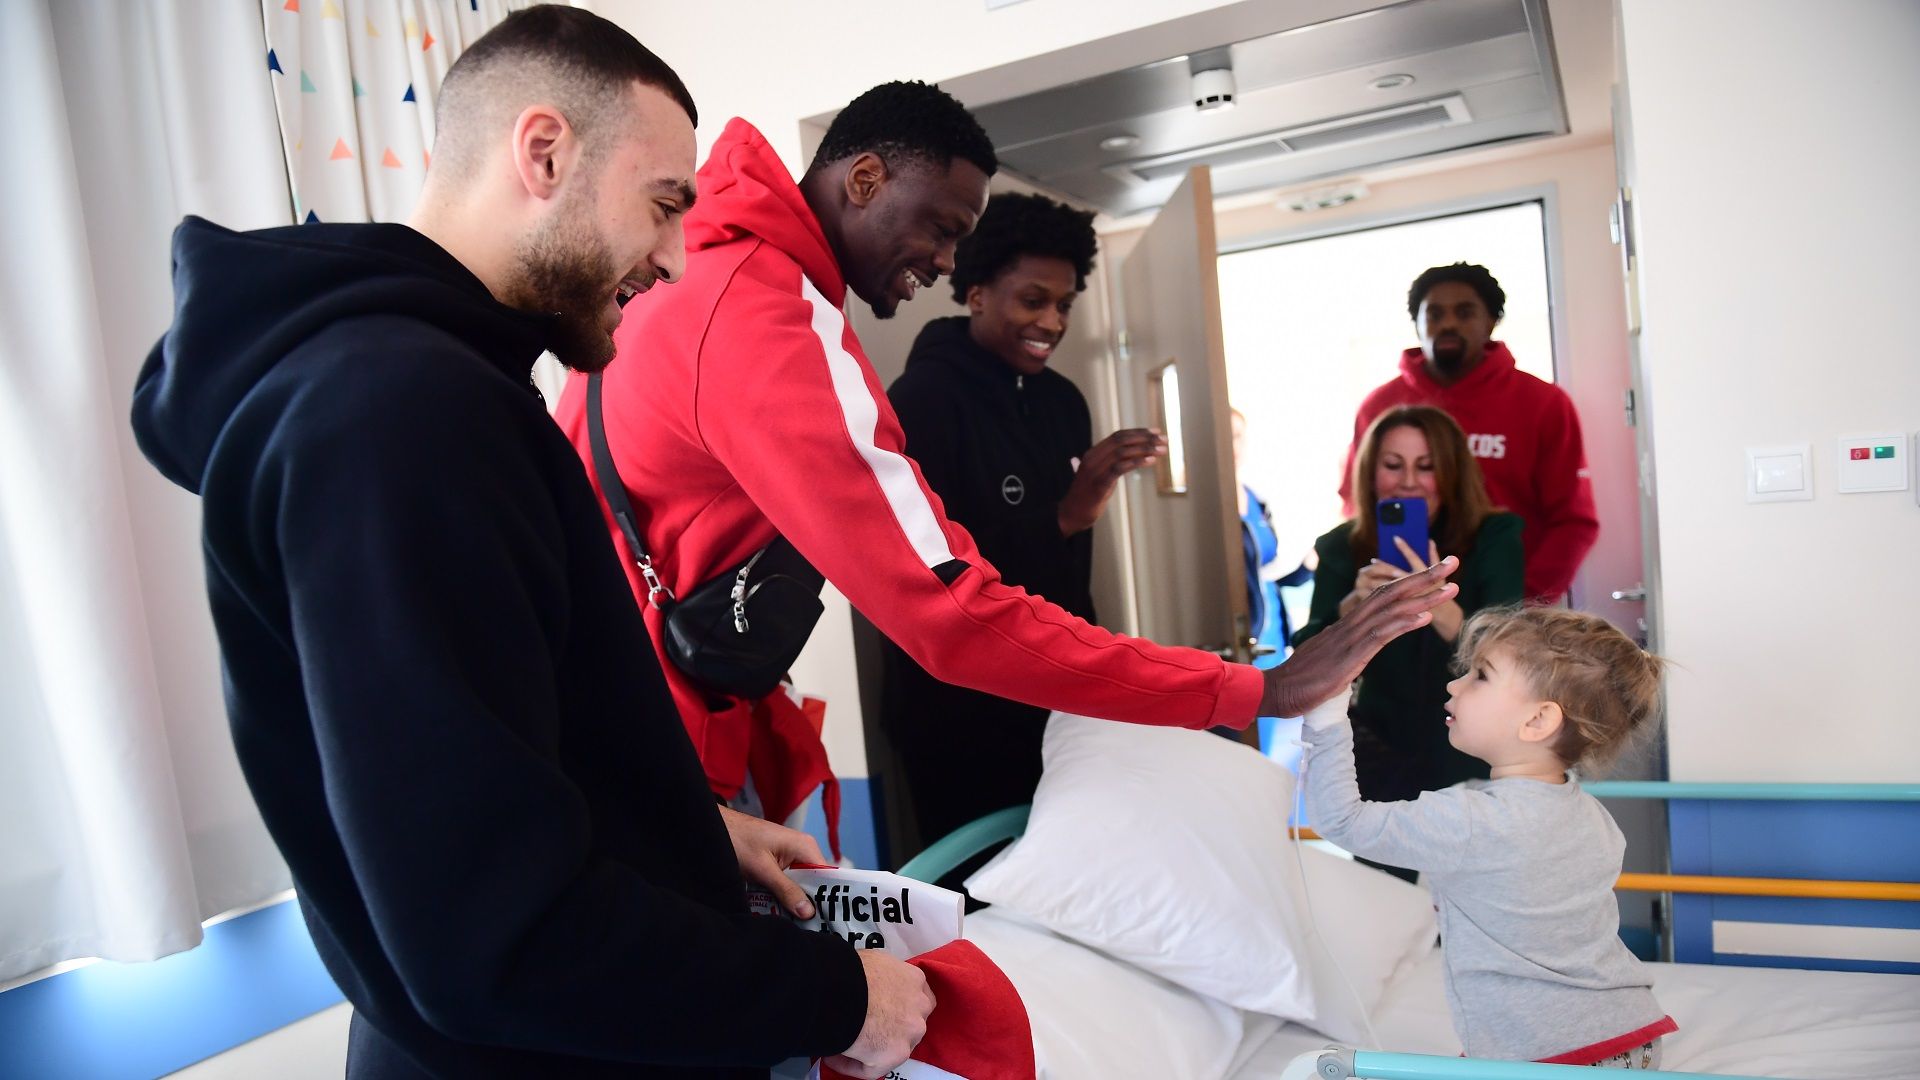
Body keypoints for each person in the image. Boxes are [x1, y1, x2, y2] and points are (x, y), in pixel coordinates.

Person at [128, 10, 934, 1078]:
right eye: (664, 206)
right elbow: (498, 933)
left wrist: (687, 833)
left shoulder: (425, 390)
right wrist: (837, 998)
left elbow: (486, 764)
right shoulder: (402, 414)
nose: (674, 259)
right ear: (544, 153)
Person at [553, 82, 1462, 827]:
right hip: (663, 739)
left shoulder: (695, 271)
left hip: (612, 705)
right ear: (864, 179)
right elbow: (951, 610)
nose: (948, 263)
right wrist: (1253, 689)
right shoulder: (768, 318)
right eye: (944, 229)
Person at [881, 191, 1161, 849]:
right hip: (958, 715)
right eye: (1033, 300)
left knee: (1081, 878)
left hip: (1060, 701)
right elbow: (926, 573)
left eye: (1064, 305)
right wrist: (1065, 515)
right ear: (977, 294)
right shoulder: (923, 401)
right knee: (982, 890)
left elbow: (1068, 576)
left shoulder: (1063, 402)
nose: (1052, 322)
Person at [1302, 607, 1676, 1068]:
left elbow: (1341, 821)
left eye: (1480, 676)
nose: (1454, 685)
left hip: (1553, 1057)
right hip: (1635, 1037)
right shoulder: (1593, 817)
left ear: (1537, 721)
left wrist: (1327, 717)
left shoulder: (1470, 820)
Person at [1297, 406, 1524, 864]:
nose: (1408, 482)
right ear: (1370, 472)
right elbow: (1305, 661)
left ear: (1451, 472)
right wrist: (1352, 610)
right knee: (1384, 889)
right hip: (1383, 748)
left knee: (1474, 880)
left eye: (1426, 466)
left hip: (1474, 749)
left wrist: (1436, 600)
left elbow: (1509, 655)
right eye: (1392, 465)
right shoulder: (1341, 547)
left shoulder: (1494, 537)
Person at [1339, 262, 1597, 603]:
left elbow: (1573, 521)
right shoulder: (1381, 406)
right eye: (1434, 314)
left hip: (1513, 605)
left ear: (1491, 321)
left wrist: (1520, 605)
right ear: (1417, 324)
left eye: (1464, 313)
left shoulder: (1543, 403)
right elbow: (1356, 503)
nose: (1448, 324)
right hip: (1399, 603)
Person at [1231, 408, 1312, 671]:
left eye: (1238, 436)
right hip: (1240, 647)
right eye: (1225, 436)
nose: (1233, 445)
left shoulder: (1257, 500)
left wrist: (1307, 565)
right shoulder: (1200, 505)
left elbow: (1264, 576)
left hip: (1274, 642)